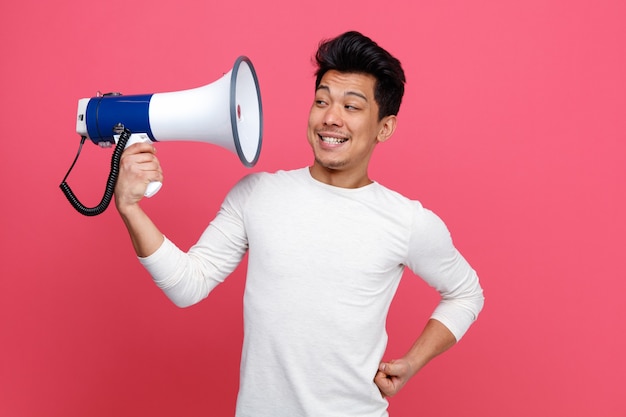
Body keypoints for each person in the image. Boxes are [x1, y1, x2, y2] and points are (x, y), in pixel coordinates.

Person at [114, 31, 484, 417]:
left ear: (384, 128)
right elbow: (187, 285)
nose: (330, 118)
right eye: (322, 101)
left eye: (352, 107)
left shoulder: (408, 221)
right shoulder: (257, 193)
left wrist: (411, 363)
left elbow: (466, 294)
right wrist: (131, 207)